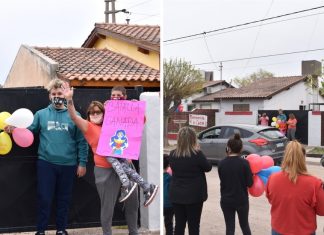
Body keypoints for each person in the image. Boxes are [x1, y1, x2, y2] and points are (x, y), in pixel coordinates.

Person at [62, 83, 158, 235]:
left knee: (133, 204)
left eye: (98, 111)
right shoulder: (88, 127)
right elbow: (73, 116)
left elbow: (139, 122)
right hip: (105, 171)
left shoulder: (113, 121)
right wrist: (69, 99)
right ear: (88, 114)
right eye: (92, 112)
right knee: (107, 207)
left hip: (126, 165)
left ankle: (134, 232)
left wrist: (133, 108)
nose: (95, 114)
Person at [4, 79, 89, 235]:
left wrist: (82, 163)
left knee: (64, 199)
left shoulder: (75, 115)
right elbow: (28, 131)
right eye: (54, 93)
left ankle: (61, 230)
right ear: (49, 96)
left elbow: (81, 141)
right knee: (44, 198)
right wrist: (14, 128)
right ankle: (41, 230)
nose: (57, 96)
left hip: (68, 165)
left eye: (60, 93)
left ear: (65, 95)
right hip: (46, 164)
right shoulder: (41, 114)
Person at [266, 140, 324, 235]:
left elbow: (271, 200)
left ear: (286, 157)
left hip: (279, 229)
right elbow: (322, 211)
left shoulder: (272, 178)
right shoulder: (315, 183)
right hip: (304, 231)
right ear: (303, 158)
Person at [169, 126, 212, 235]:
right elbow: (208, 167)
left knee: (179, 225)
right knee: (194, 226)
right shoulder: (197, 154)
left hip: (177, 195)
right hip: (195, 196)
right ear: (193, 139)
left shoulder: (172, 154)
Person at [218, 133, 253, 235]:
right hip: (241, 200)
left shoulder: (221, 163)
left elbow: (223, 179)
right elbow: (250, 184)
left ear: (228, 148)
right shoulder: (245, 163)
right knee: (245, 225)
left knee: (229, 228)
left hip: (226, 200)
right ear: (241, 148)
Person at [163, 154, 174, 235]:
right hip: (169, 204)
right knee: (169, 223)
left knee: (167, 222)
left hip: (163, 204)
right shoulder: (170, 178)